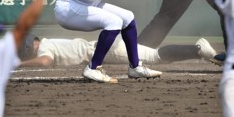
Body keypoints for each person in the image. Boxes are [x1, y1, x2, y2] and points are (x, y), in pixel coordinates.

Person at [18, 35, 219, 67]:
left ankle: (197, 49)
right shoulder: (48, 42)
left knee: (154, 57)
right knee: (152, 55)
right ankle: (196, 49)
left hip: (103, 50)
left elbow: (44, 61)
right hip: (103, 48)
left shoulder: (44, 46)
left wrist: (19, 64)